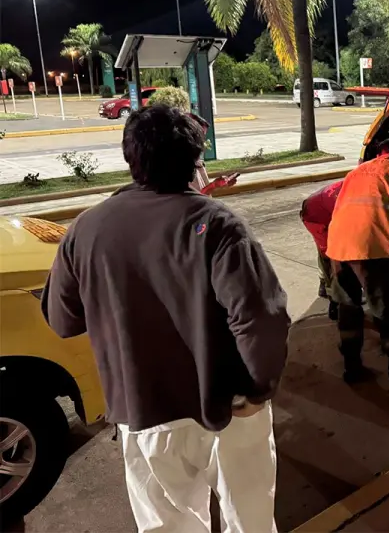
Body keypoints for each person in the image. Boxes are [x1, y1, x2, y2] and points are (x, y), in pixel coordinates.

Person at [42, 105, 290, 533]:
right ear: (196, 158)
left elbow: (62, 320)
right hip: (228, 410)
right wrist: (259, 389)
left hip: (143, 412)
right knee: (248, 519)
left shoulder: (86, 229)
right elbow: (262, 318)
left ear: (129, 157)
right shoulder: (218, 225)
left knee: (167, 526)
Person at [326, 137, 389, 382]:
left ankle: (352, 367)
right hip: (370, 246)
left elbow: (342, 207)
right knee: (385, 308)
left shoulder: (355, 172)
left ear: (380, 154)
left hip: (338, 245)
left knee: (348, 308)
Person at [300, 179, 344, 318]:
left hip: (320, 209)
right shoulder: (352, 195)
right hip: (316, 217)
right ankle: (335, 299)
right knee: (332, 255)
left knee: (329, 254)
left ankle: (325, 285)